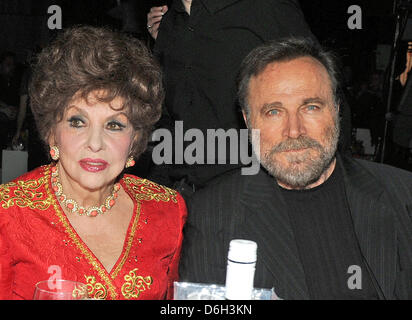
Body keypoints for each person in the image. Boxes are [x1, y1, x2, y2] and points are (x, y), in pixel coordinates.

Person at [179, 38, 412, 300]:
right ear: (247, 120)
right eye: (274, 112)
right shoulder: (213, 214)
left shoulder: (403, 196)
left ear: (336, 110)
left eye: (310, 107)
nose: (294, 131)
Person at [0, 26, 187, 300]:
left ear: (135, 139)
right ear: (52, 131)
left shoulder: (167, 210)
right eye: (78, 122)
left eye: (114, 125)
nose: (95, 143)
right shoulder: (9, 213)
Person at [145, 0, 330, 196]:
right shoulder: (168, 24)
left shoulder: (267, 8)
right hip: (185, 197)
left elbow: (323, 95)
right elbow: (166, 116)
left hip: (258, 195)